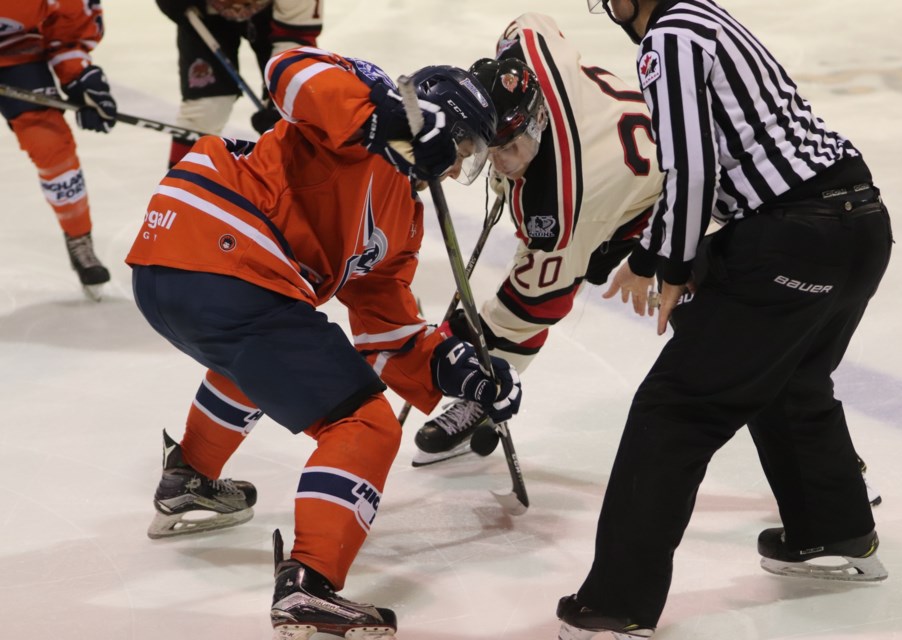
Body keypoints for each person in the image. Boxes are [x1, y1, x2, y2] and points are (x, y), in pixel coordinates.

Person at [126, 47, 521, 638]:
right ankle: (309, 586)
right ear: (435, 119)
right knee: (366, 425)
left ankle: (190, 478)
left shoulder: (403, 220)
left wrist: (457, 369)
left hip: (177, 269)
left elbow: (386, 332)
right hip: (226, 255)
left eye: (464, 160)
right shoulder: (364, 113)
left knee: (266, 363)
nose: (450, 167)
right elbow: (289, 69)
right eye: (459, 148)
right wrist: (387, 117)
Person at [558, 1, 893, 637]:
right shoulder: (710, 18)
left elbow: (692, 167)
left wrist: (672, 266)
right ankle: (834, 531)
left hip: (794, 238)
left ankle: (616, 604)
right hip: (862, 226)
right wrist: (654, 252)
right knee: (791, 379)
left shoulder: (669, 40)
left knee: (675, 409)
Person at [412, 12, 663, 466]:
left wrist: (457, 350)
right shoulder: (531, 60)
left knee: (530, 306)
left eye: (509, 148)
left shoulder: (559, 209)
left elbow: (534, 306)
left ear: (537, 121)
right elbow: (529, 24)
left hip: (664, 205)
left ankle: (486, 399)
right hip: (630, 141)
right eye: (489, 149)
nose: (500, 162)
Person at [0, 0, 117, 300]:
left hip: (17, 53)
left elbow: (68, 33)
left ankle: (79, 238)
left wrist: (79, 78)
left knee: (52, 145)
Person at [155, 0, 323, 167]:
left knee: (287, 108)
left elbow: (294, 41)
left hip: (273, 16)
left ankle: (297, 183)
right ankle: (181, 189)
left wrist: (280, 99)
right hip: (204, 13)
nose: (236, 9)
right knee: (205, 109)